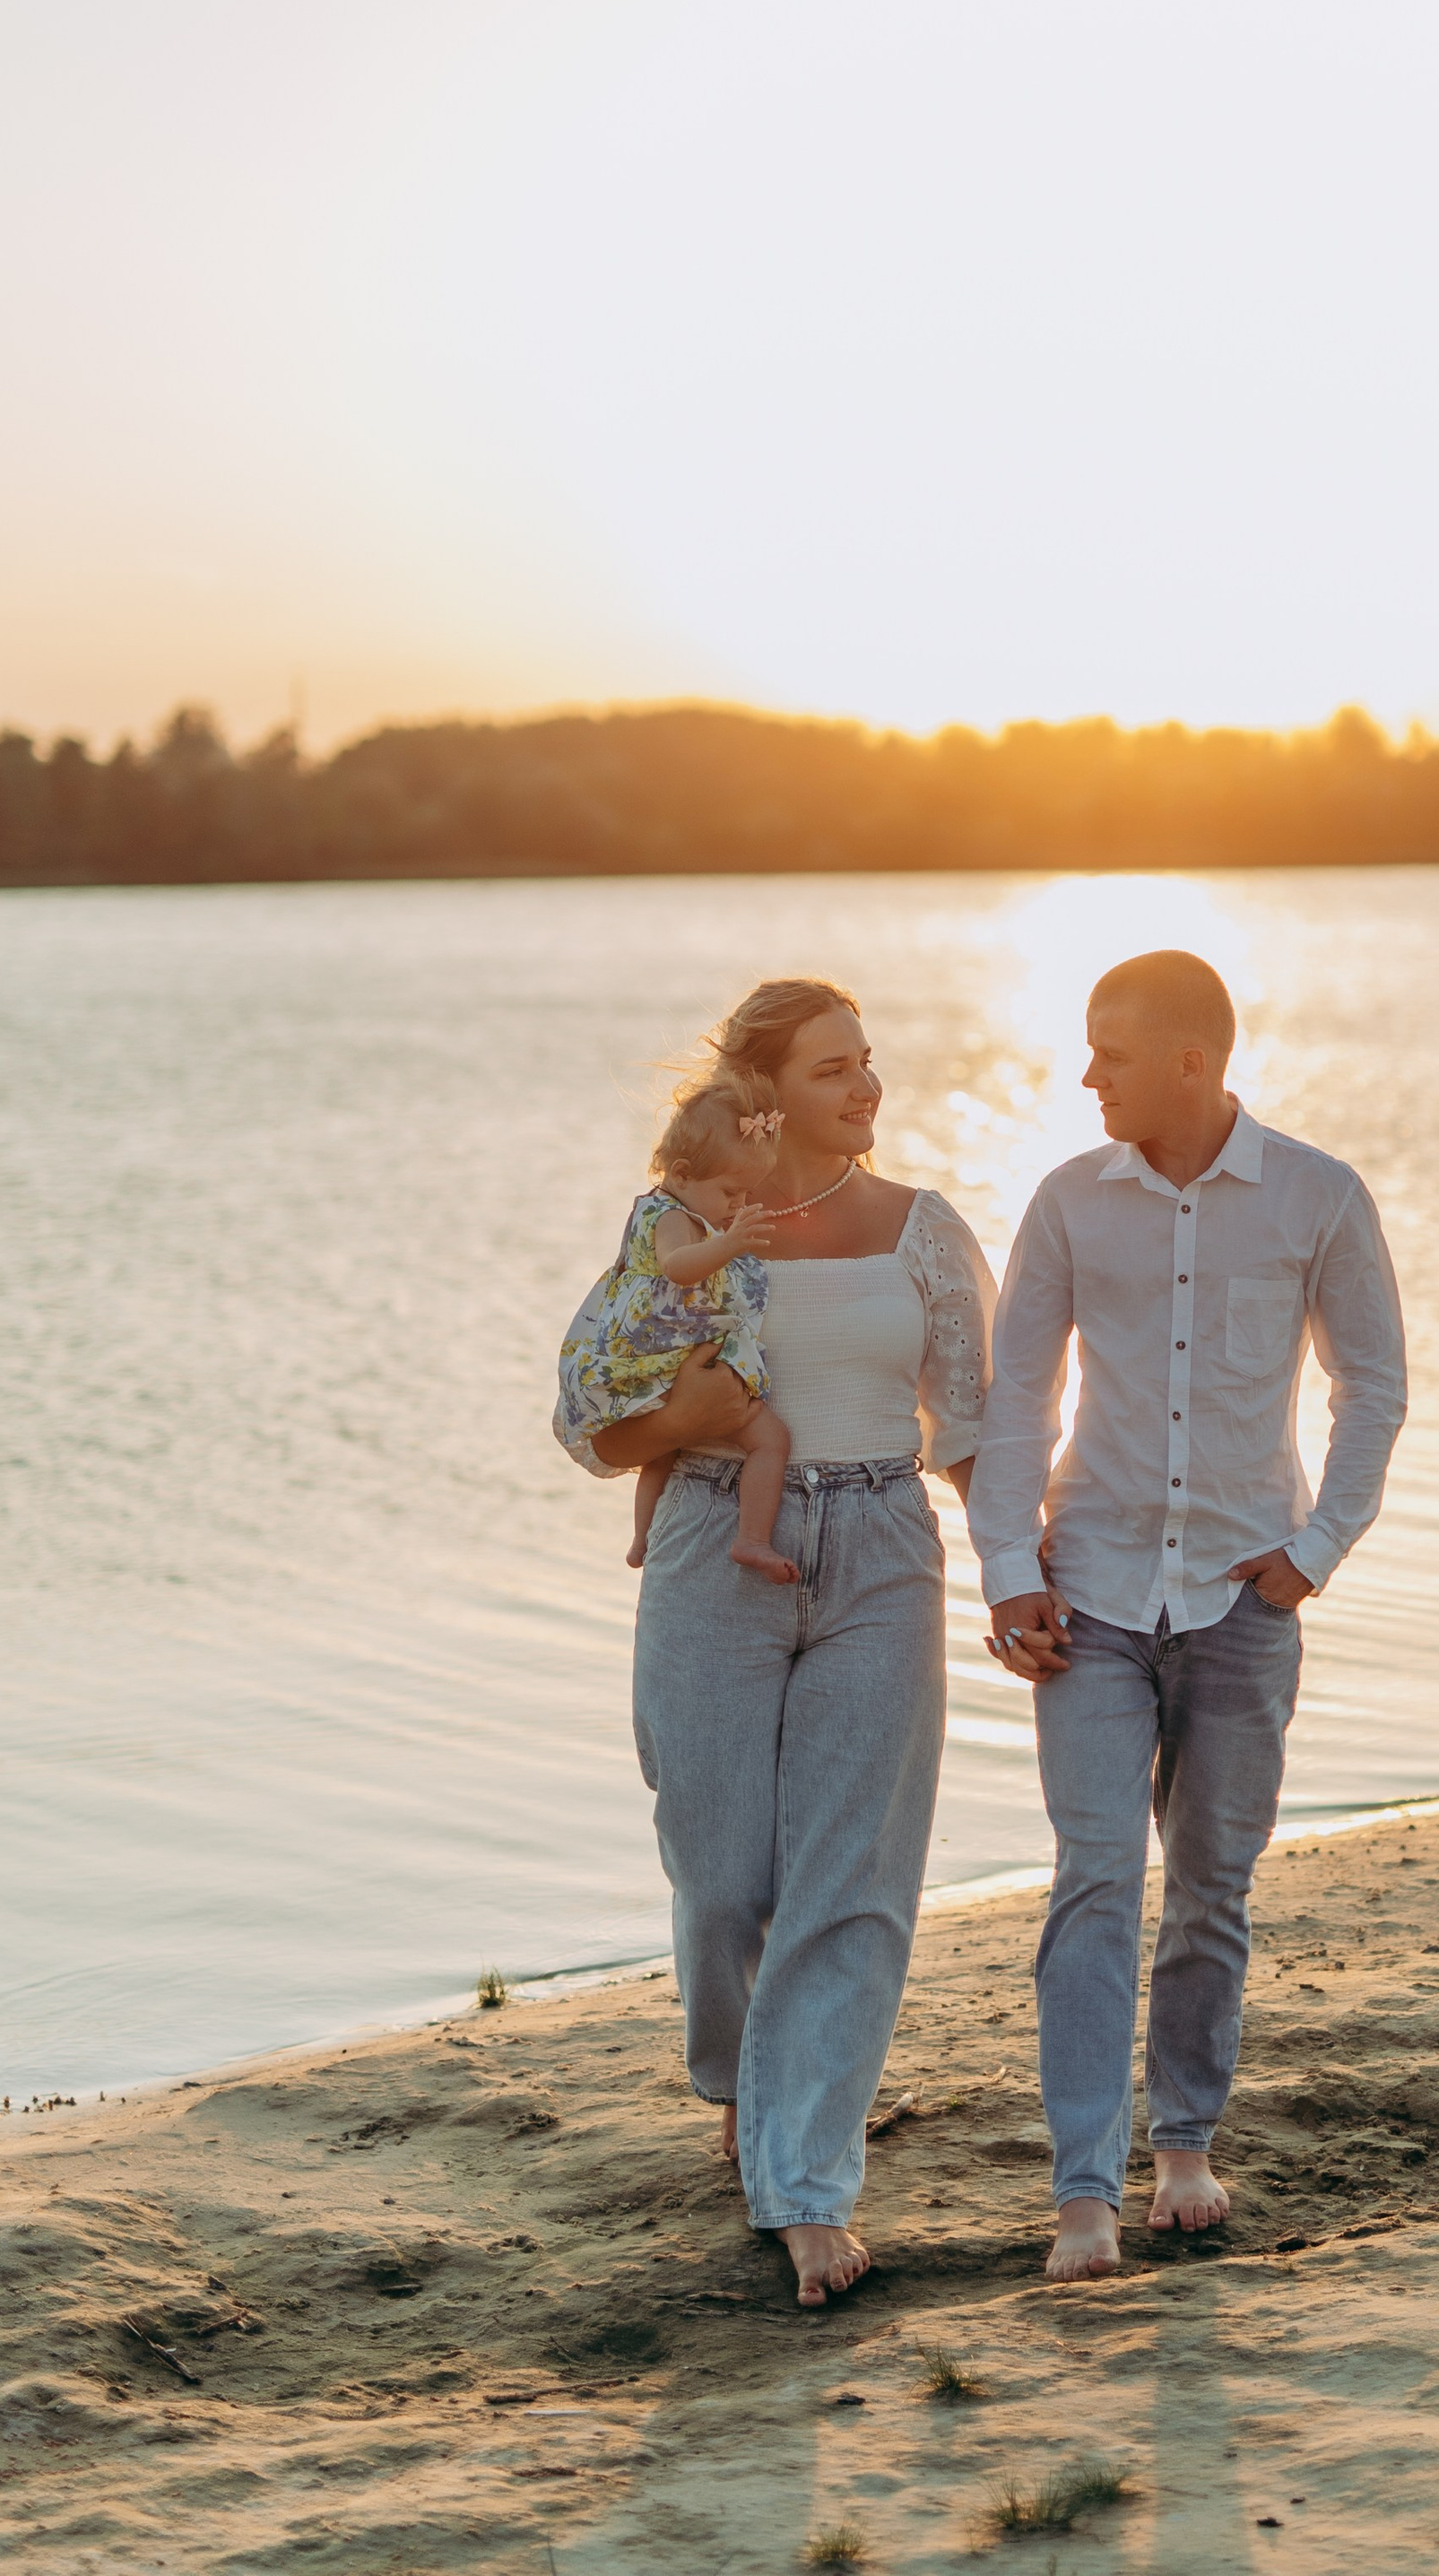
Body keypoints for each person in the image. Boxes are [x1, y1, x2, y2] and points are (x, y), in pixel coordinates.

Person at [969, 949, 1407, 2284]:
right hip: (1091, 1598)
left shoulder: (1317, 1198)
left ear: (1192, 1060)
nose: (1085, 1074)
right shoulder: (1063, 1205)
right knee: (1096, 1880)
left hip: (1240, 1601)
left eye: (1109, 1050)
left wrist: (1316, 1549)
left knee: (1212, 1889)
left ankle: (1187, 2149)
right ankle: (1084, 2193)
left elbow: (1373, 1387)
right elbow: (1013, 1406)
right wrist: (1005, 1571)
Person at [559, 976, 995, 2306]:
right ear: (760, 1102)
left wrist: (1035, 1578)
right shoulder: (683, 1231)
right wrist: (687, 1420)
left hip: (879, 1544)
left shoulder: (926, 1234)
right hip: (712, 1545)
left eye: (870, 1064)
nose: (866, 1090)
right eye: (831, 1071)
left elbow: (974, 1428)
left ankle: (808, 2179)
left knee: (850, 1882)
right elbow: (597, 1425)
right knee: (725, 1872)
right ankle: (743, 2084)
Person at [553, 1064, 800, 1582]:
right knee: (770, 1439)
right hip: (667, 1351)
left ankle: (643, 1537)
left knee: (662, 1454)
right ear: (683, 1172)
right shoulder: (671, 1218)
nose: (740, 1204)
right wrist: (728, 1243)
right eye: (732, 1192)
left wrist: (722, 1228)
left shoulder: (666, 1205)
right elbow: (678, 1267)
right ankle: (751, 1539)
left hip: (652, 1353)